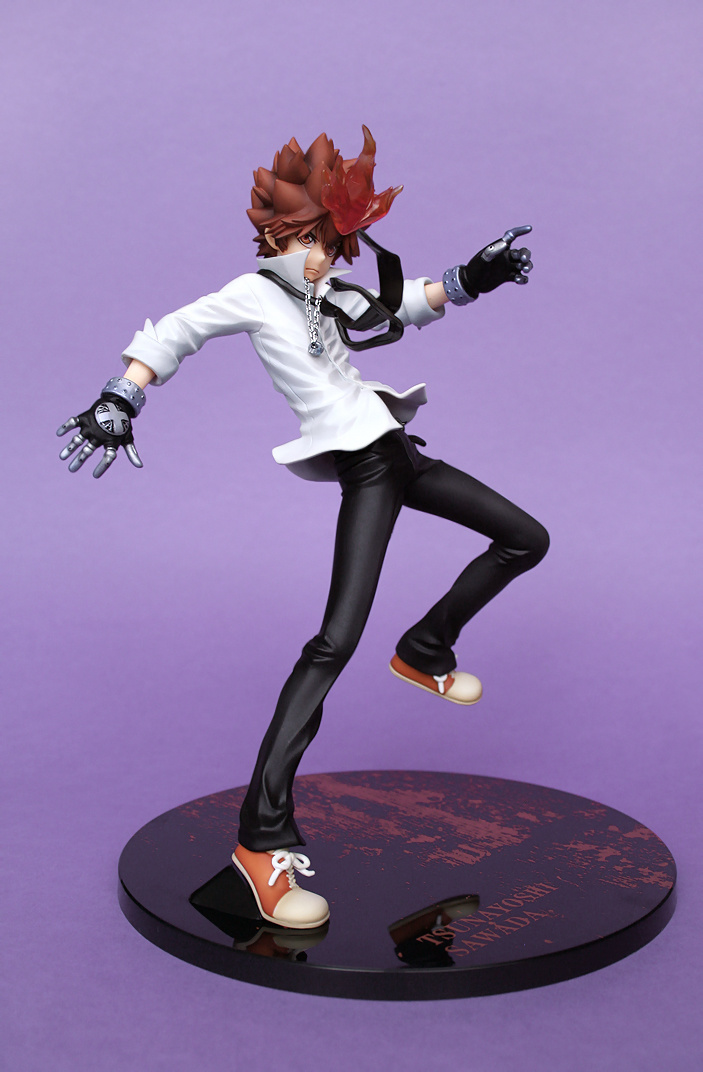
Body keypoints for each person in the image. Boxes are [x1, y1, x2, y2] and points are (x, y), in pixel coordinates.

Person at [58, 127, 548, 930]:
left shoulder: (328, 289)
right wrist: (122, 395)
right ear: (276, 235)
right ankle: (260, 846)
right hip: (364, 468)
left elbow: (399, 304)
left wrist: (472, 278)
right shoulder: (254, 294)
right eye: (306, 242)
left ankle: (424, 649)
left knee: (526, 538)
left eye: (330, 243)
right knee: (332, 644)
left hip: (398, 452)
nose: (319, 259)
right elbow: (177, 330)